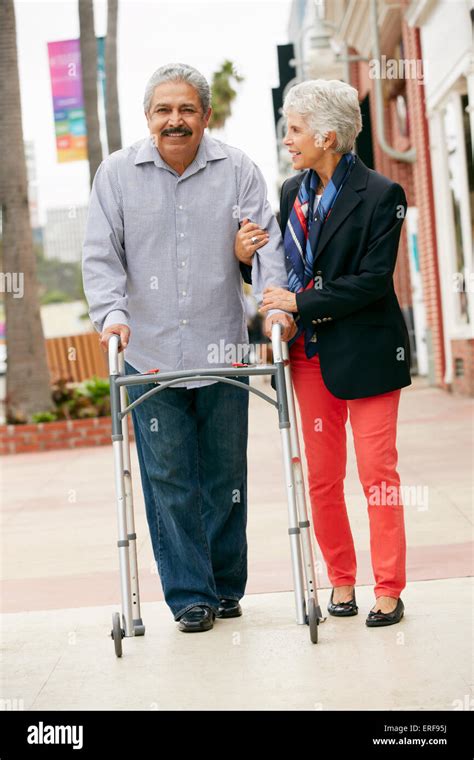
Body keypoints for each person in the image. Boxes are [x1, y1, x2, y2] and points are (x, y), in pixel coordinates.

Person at [82, 63, 295, 633]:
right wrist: (111, 316)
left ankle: (225, 587)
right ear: (148, 117)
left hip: (221, 346)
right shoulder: (117, 176)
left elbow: (267, 248)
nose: (174, 120)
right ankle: (189, 595)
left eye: (186, 110)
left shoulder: (238, 170)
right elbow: (101, 256)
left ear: (205, 115)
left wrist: (274, 304)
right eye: (163, 110)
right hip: (148, 351)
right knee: (170, 476)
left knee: (226, 474)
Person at [235, 79, 411, 628]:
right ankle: (340, 580)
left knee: (377, 473)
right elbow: (285, 269)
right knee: (322, 478)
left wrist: (301, 299)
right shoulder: (292, 192)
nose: (287, 139)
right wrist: (245, 259)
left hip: (369, 353)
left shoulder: (383, 195)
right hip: (307, 356)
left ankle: (388, 588)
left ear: (327, 135)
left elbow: (372, 281)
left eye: (295, 129)